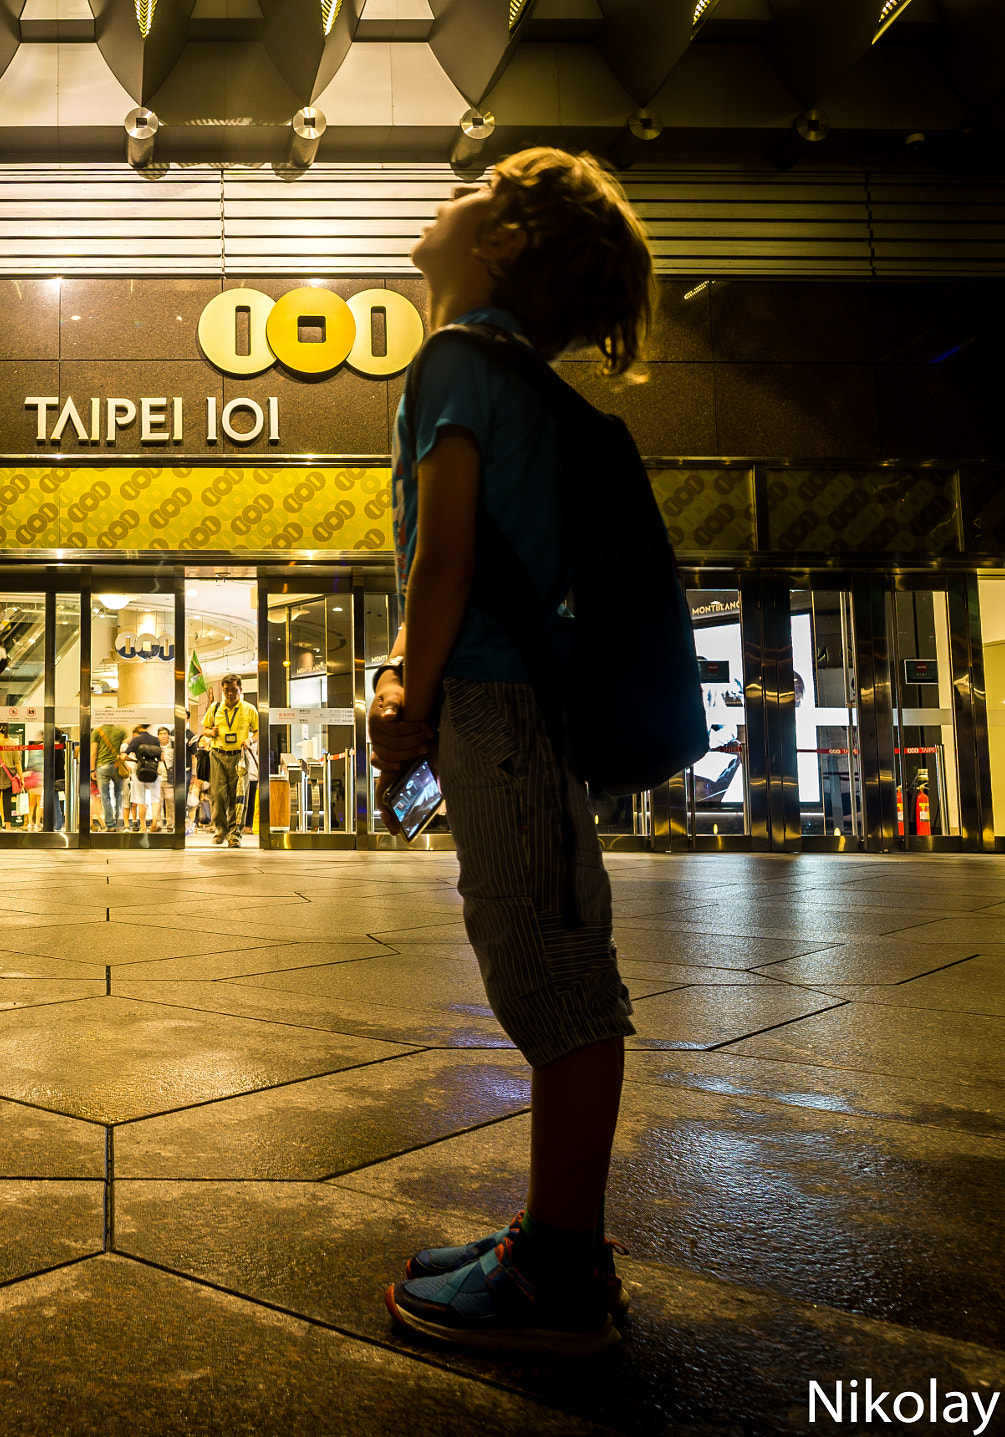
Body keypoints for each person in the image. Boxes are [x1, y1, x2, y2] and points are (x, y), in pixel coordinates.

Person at [368, 149, 654, 1356]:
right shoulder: (514, 377)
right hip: (526, 698)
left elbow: (446, 558)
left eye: (470, 189)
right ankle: (553, 1239)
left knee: (546, 966)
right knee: (556, 945)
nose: (442, 190)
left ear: (496, 248)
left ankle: (557, 1269)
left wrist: (400, 689)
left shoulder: (452, 363)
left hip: (492, 700)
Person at [201, 672, 258, 847]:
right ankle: (220, 830)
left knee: (238, 797)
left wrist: (250, 740)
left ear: (240, 689)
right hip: (218, 756)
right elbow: (205, 729)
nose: (230, 693)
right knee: (217, 795)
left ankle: (234, 834)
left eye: (234, 689)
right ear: (223, 690)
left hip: (239, 758)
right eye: (227, 690)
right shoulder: (215, 708)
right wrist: (211, 733)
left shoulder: (249, 709)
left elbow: (258, 731)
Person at [122, 723, 161, 833]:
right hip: (153, 772)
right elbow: (160, 756)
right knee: (155, 799)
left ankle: (143, 827)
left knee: (141, 800)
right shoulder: (155, 740)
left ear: (139, 728)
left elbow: (124, 756)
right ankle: (154, 822)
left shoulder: (137, 740)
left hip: (140, 773)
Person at [92, 719, 128, 831]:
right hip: (117, 766)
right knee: (118, 794)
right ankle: (118, 821)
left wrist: (92, 770)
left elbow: (93, 752)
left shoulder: (98, 731)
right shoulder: (121, 730)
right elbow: (127, 745)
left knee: (105, 796)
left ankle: (110, 825)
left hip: (102, 767)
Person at [154, 727, 179, 832]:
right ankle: (158, 823)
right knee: (157, 802)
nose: (163, 736)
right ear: (158, 736)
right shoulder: (155, 747)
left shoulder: (173, 748)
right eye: (161, 734)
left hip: (169, 779)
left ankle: (170, 824)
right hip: (156, 779)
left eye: (165, 733)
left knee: (170, 803)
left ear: (168, 735)